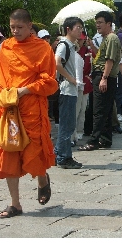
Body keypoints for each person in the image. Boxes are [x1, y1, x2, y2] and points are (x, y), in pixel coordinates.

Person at [0, 8, 58, 218]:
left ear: (30, 26)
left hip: (32, 107)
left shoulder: (42, 48)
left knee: (35, 153)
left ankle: (42, 178)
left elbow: (49, 81)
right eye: (12, 27)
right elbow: (2, 79)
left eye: (19, 27)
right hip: (11, 109)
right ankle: (15, 204)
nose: (15, 31)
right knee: (9, 153)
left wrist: (25, 90)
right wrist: (5, 96)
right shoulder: (6, 47)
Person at [79, 11, 121, 151]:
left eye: (100, 22)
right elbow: (101, 56)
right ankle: (105, 139)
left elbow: (109, 60)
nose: (97, 25)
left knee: (98, 110)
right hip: (103, 75)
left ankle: (94, 140)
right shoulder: (106, 38)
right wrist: (91, 45)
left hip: (104, 76)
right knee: (106, 110)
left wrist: (104, 78)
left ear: (109, 24)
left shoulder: (111, 38)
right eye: (96, 22)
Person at [54, 17, 84, 169]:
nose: (80, 30)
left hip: (70, 89)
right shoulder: (64, 44)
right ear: (68, 29)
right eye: (78, 27)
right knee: (67, 124)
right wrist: (70, 78)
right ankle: (64, 157)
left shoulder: (71, 45)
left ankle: (58, 153)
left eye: (81, 28)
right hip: (66, 89)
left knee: (68, 123)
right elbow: (57, 63)